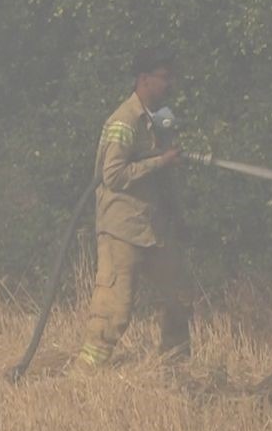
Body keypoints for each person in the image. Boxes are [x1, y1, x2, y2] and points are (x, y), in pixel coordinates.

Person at [77, 47, 193, 367]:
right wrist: (160, 161)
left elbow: (165, 180)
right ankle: (84, 376)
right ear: (144, 79)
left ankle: (175, 371)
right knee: (114, 311)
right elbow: (112, 176)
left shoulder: (159, 121)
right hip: (122, 228)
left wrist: (178, 216)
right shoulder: (124, 121)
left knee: (179, 297)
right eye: (164, 77)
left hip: (154, 228)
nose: (170, 84)